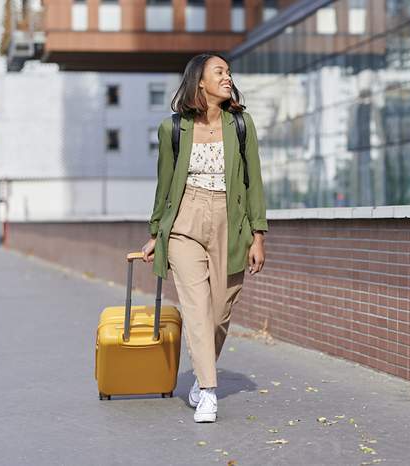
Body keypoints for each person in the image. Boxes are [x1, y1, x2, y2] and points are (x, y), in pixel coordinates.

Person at [141, 52, 268, 423]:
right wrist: (156, 233)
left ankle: (200, 375)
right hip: (185, 220)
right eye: (219, 72)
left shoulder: (241, 124)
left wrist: (258, 234)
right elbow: (164, 185)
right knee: (196, 307)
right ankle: (209, 393)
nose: (227, 77)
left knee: (219, 312)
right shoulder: (173, 129)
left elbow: (254, 182)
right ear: (200, 81)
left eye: (228, 72)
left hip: (231, 217)